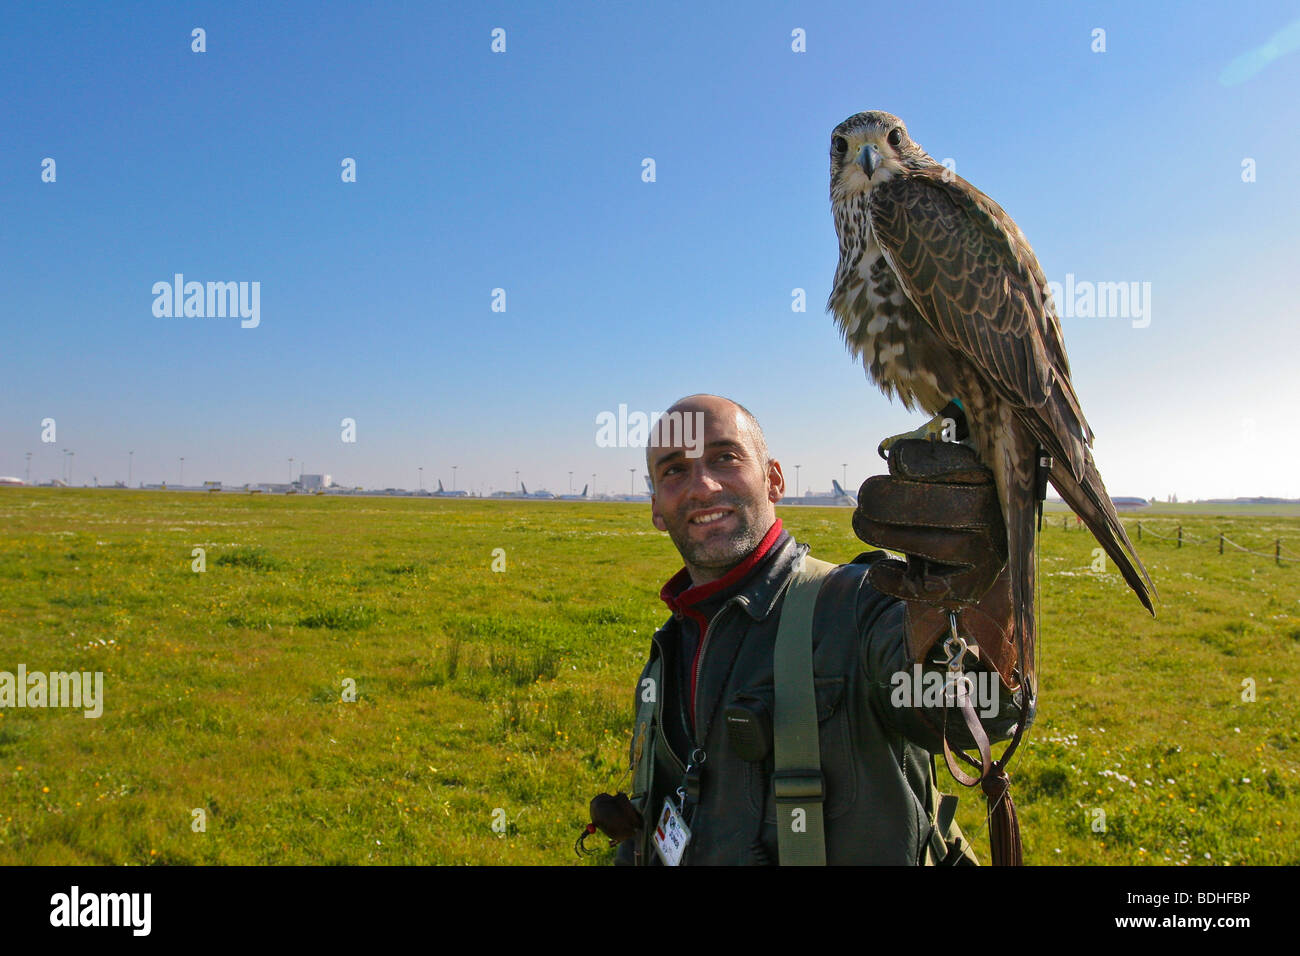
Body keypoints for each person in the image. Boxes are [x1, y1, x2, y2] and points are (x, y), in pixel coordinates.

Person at [609, 393, 1031, 865]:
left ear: (773, 480)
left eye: (724, 458)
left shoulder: (857, 605)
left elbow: (972, 708)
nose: (702, 486)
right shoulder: (666, 652)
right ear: (656, 509)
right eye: (673, 469)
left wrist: (977, 588)